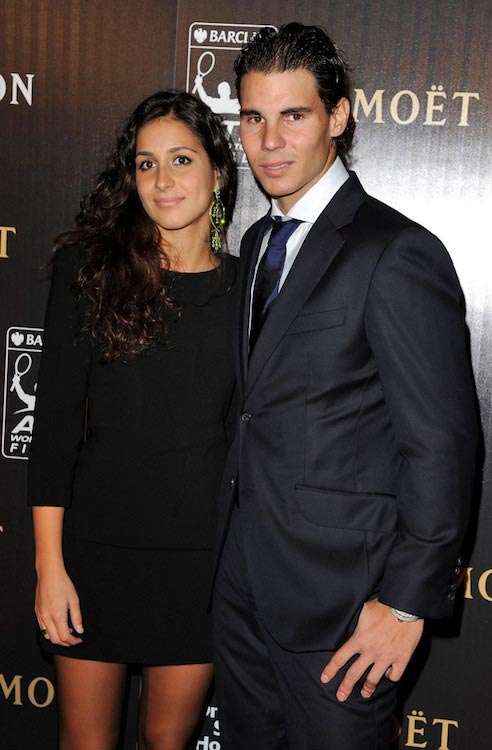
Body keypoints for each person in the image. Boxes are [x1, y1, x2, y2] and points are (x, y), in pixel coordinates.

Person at [212, 23, 477, 749]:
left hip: (341, 606)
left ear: (338, 115)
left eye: (293, 116)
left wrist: (406, 603)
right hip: (241, 587)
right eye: (253, 118)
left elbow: (442, 444)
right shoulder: (259, 242)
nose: (267, 141)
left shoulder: (396, 252)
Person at [27, 90, 237, 750]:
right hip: (94, 559)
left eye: (181, 159)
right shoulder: (86, 273)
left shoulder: (250, 290)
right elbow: (53, 431)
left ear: (218, 172)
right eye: (146, 164)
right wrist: (49, 569)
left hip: (198, 569)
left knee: (166, 744)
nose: (163, 180)